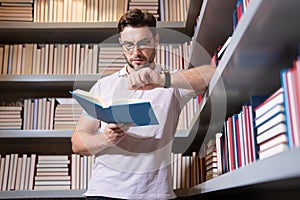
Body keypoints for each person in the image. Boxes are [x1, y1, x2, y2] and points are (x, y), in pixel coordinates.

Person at [71, 8, 215, 200]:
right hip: (104, 192)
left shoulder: (172, 81)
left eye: (144, 43)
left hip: (155, 194)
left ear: (156, 41)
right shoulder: (103, 86)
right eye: (128, 45)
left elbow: (211, 74)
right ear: (121, 45)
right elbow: (77, 142)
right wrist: (106, 139)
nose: (136, 52)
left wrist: (163, 80)